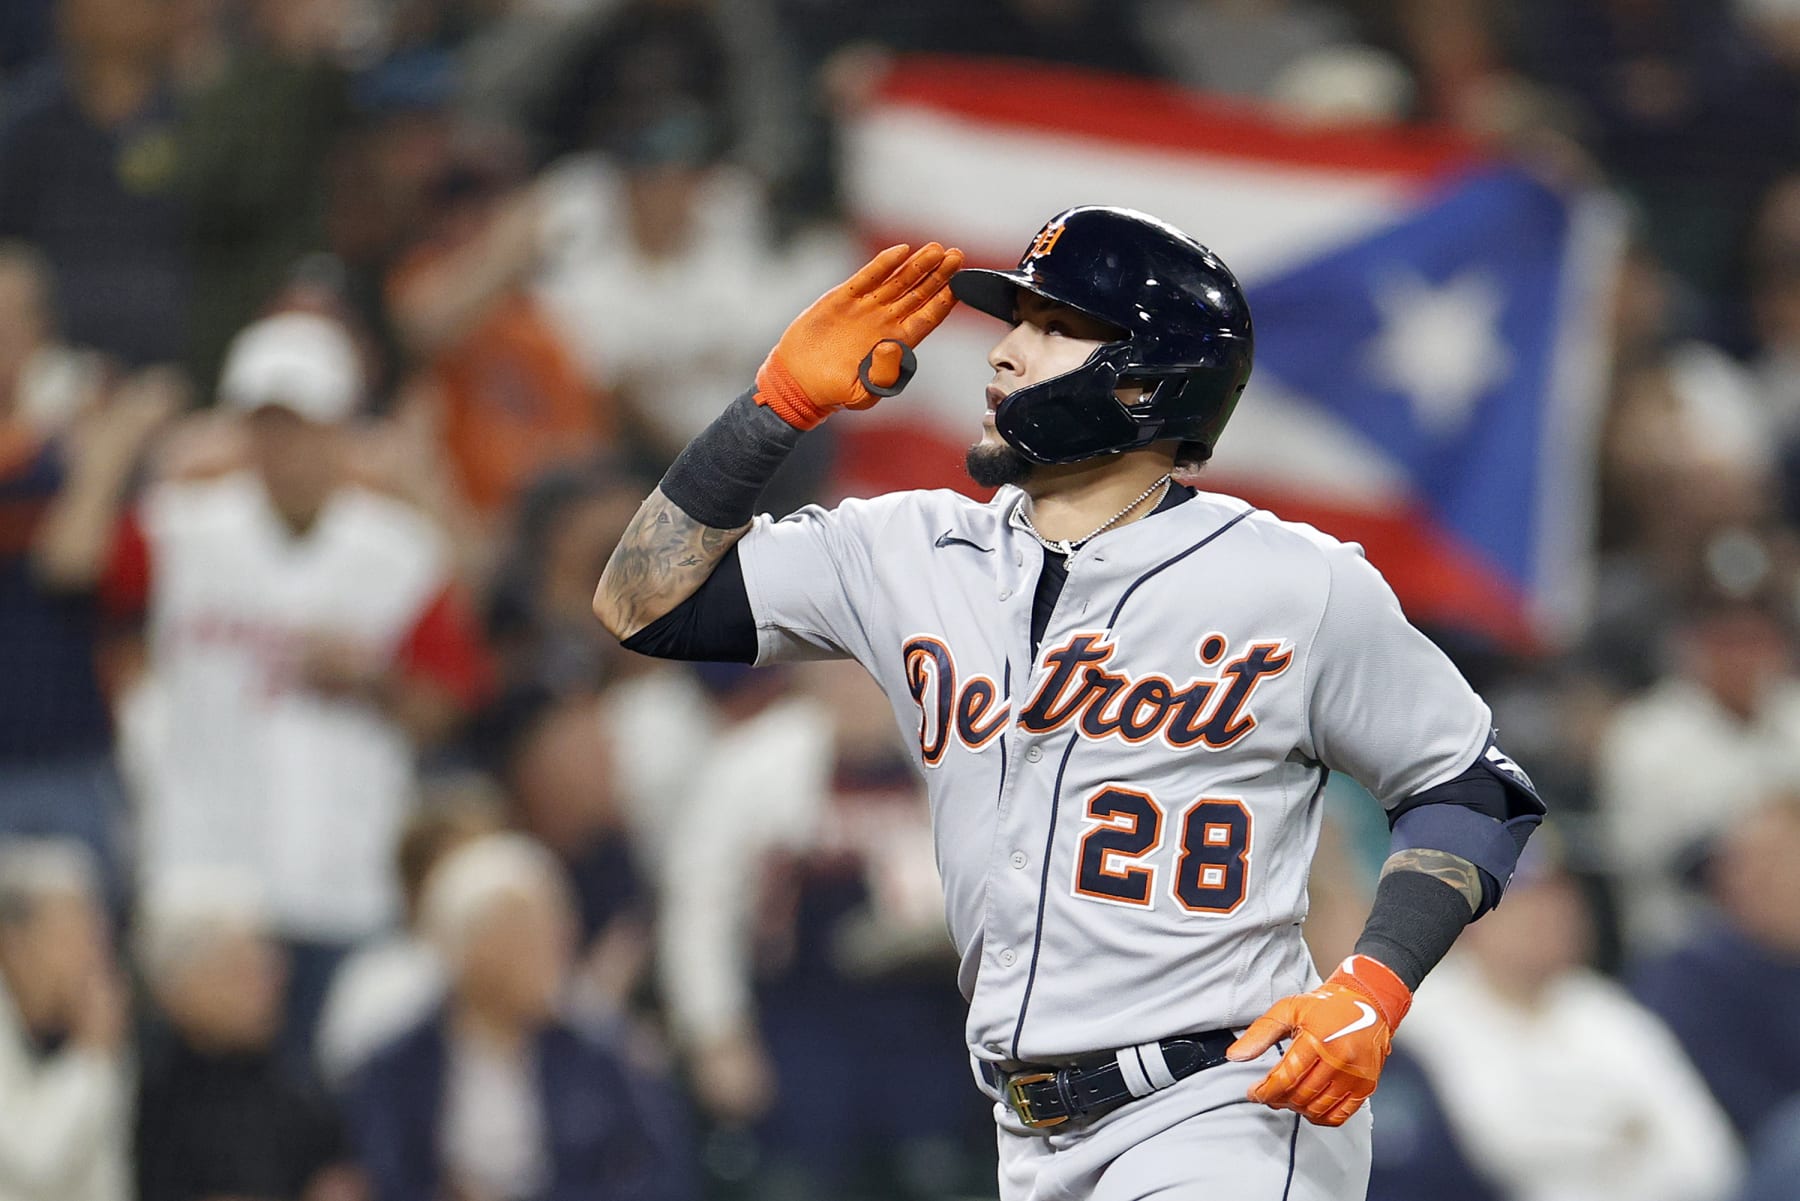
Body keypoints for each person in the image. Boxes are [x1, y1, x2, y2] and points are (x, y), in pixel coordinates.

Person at [591, 207, 1546, 1199]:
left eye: (1051, 325)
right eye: (1016, 321)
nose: (1002, 351)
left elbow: (1473, 785)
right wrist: (774, 408)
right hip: (1026, 1130)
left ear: (1144, 379)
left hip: (1227, 1113)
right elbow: (642, 603)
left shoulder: (1298, 583)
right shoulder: (905, 551)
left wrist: (1372, 989)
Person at [107, 310, 492, 1061]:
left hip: (342, 878)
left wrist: (373, 681)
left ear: (343, 430)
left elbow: (447, 707)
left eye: (305, 425)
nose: (284, 447)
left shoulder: (399, 551)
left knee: (324, 1104)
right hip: (204, 881)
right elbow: (75, 586)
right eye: (266, 425)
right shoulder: (175, 529)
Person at [659, 658, 972, 1197]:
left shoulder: (950, 754)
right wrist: (716, 1032)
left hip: (926, 1020)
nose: (856, 689)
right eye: (841, 673)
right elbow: (700, 909)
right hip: (803, 1022)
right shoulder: (752, 765)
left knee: (941, 1171)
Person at [344, 833, 693, 1201]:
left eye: (555, 927)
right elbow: (383, 1175)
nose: (553, 948)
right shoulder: (397, 1066)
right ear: (469, 950)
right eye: (525, 934)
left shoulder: (609, 1060)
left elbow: (657, 1178)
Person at [1400, 842, 1740, 1201]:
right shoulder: (1422, 1010)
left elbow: (1709, 1159)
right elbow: (1492, 1147)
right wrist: (1616, 1134)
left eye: (1561, 898)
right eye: (1528, 899)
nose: (1552, 914)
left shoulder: (1607, 1010)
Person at [133, 869, 360, 1201]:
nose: (269, 984)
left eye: (269, 967)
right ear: (179, 984)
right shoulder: (142, 1082)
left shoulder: (291, 1078)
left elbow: (339, 1174)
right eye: (243, 970)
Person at [0, 838, 131, 1201]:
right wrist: (90, 1060)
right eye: (73, 936)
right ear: (12, 941)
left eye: (98, 939)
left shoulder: (84, 1025)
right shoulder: (92, 1043)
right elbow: (33, 1162)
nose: (92, 959)